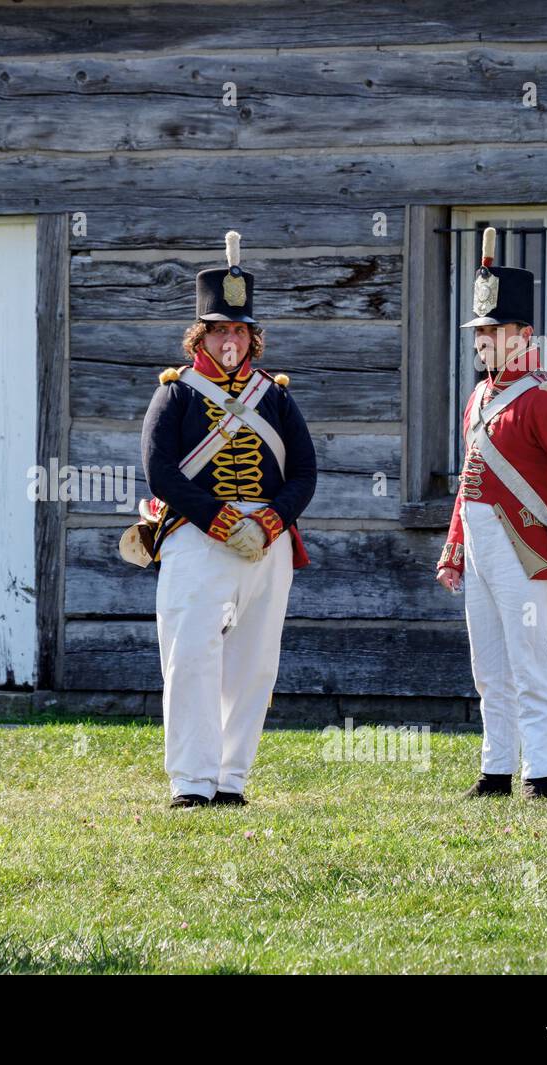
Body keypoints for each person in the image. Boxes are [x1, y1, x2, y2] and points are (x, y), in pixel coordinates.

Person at [140, 231, 318, 808]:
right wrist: (221, 522)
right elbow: (160, 472)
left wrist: (269, 522)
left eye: (239, 329)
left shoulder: (277, 398)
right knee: (191, 657)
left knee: (254, 663)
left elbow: (306, 474)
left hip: (269, 542)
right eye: (219, 329)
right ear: (202, 336)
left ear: (251, 337)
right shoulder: (176, 395)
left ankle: (230, 779)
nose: (230, 339)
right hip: (197, 536)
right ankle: (191, 783)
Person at [436, 227, 547, 800]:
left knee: (529, 661)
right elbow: (468, 482)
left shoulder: (544, 398)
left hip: (525, 545)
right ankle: (496, 770)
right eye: (479, 331)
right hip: (481, 541)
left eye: (492, 330)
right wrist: (453, 550)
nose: (482, 340)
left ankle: (541, 773)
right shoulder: (479, 398)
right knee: (488, 665)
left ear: (523, 335)